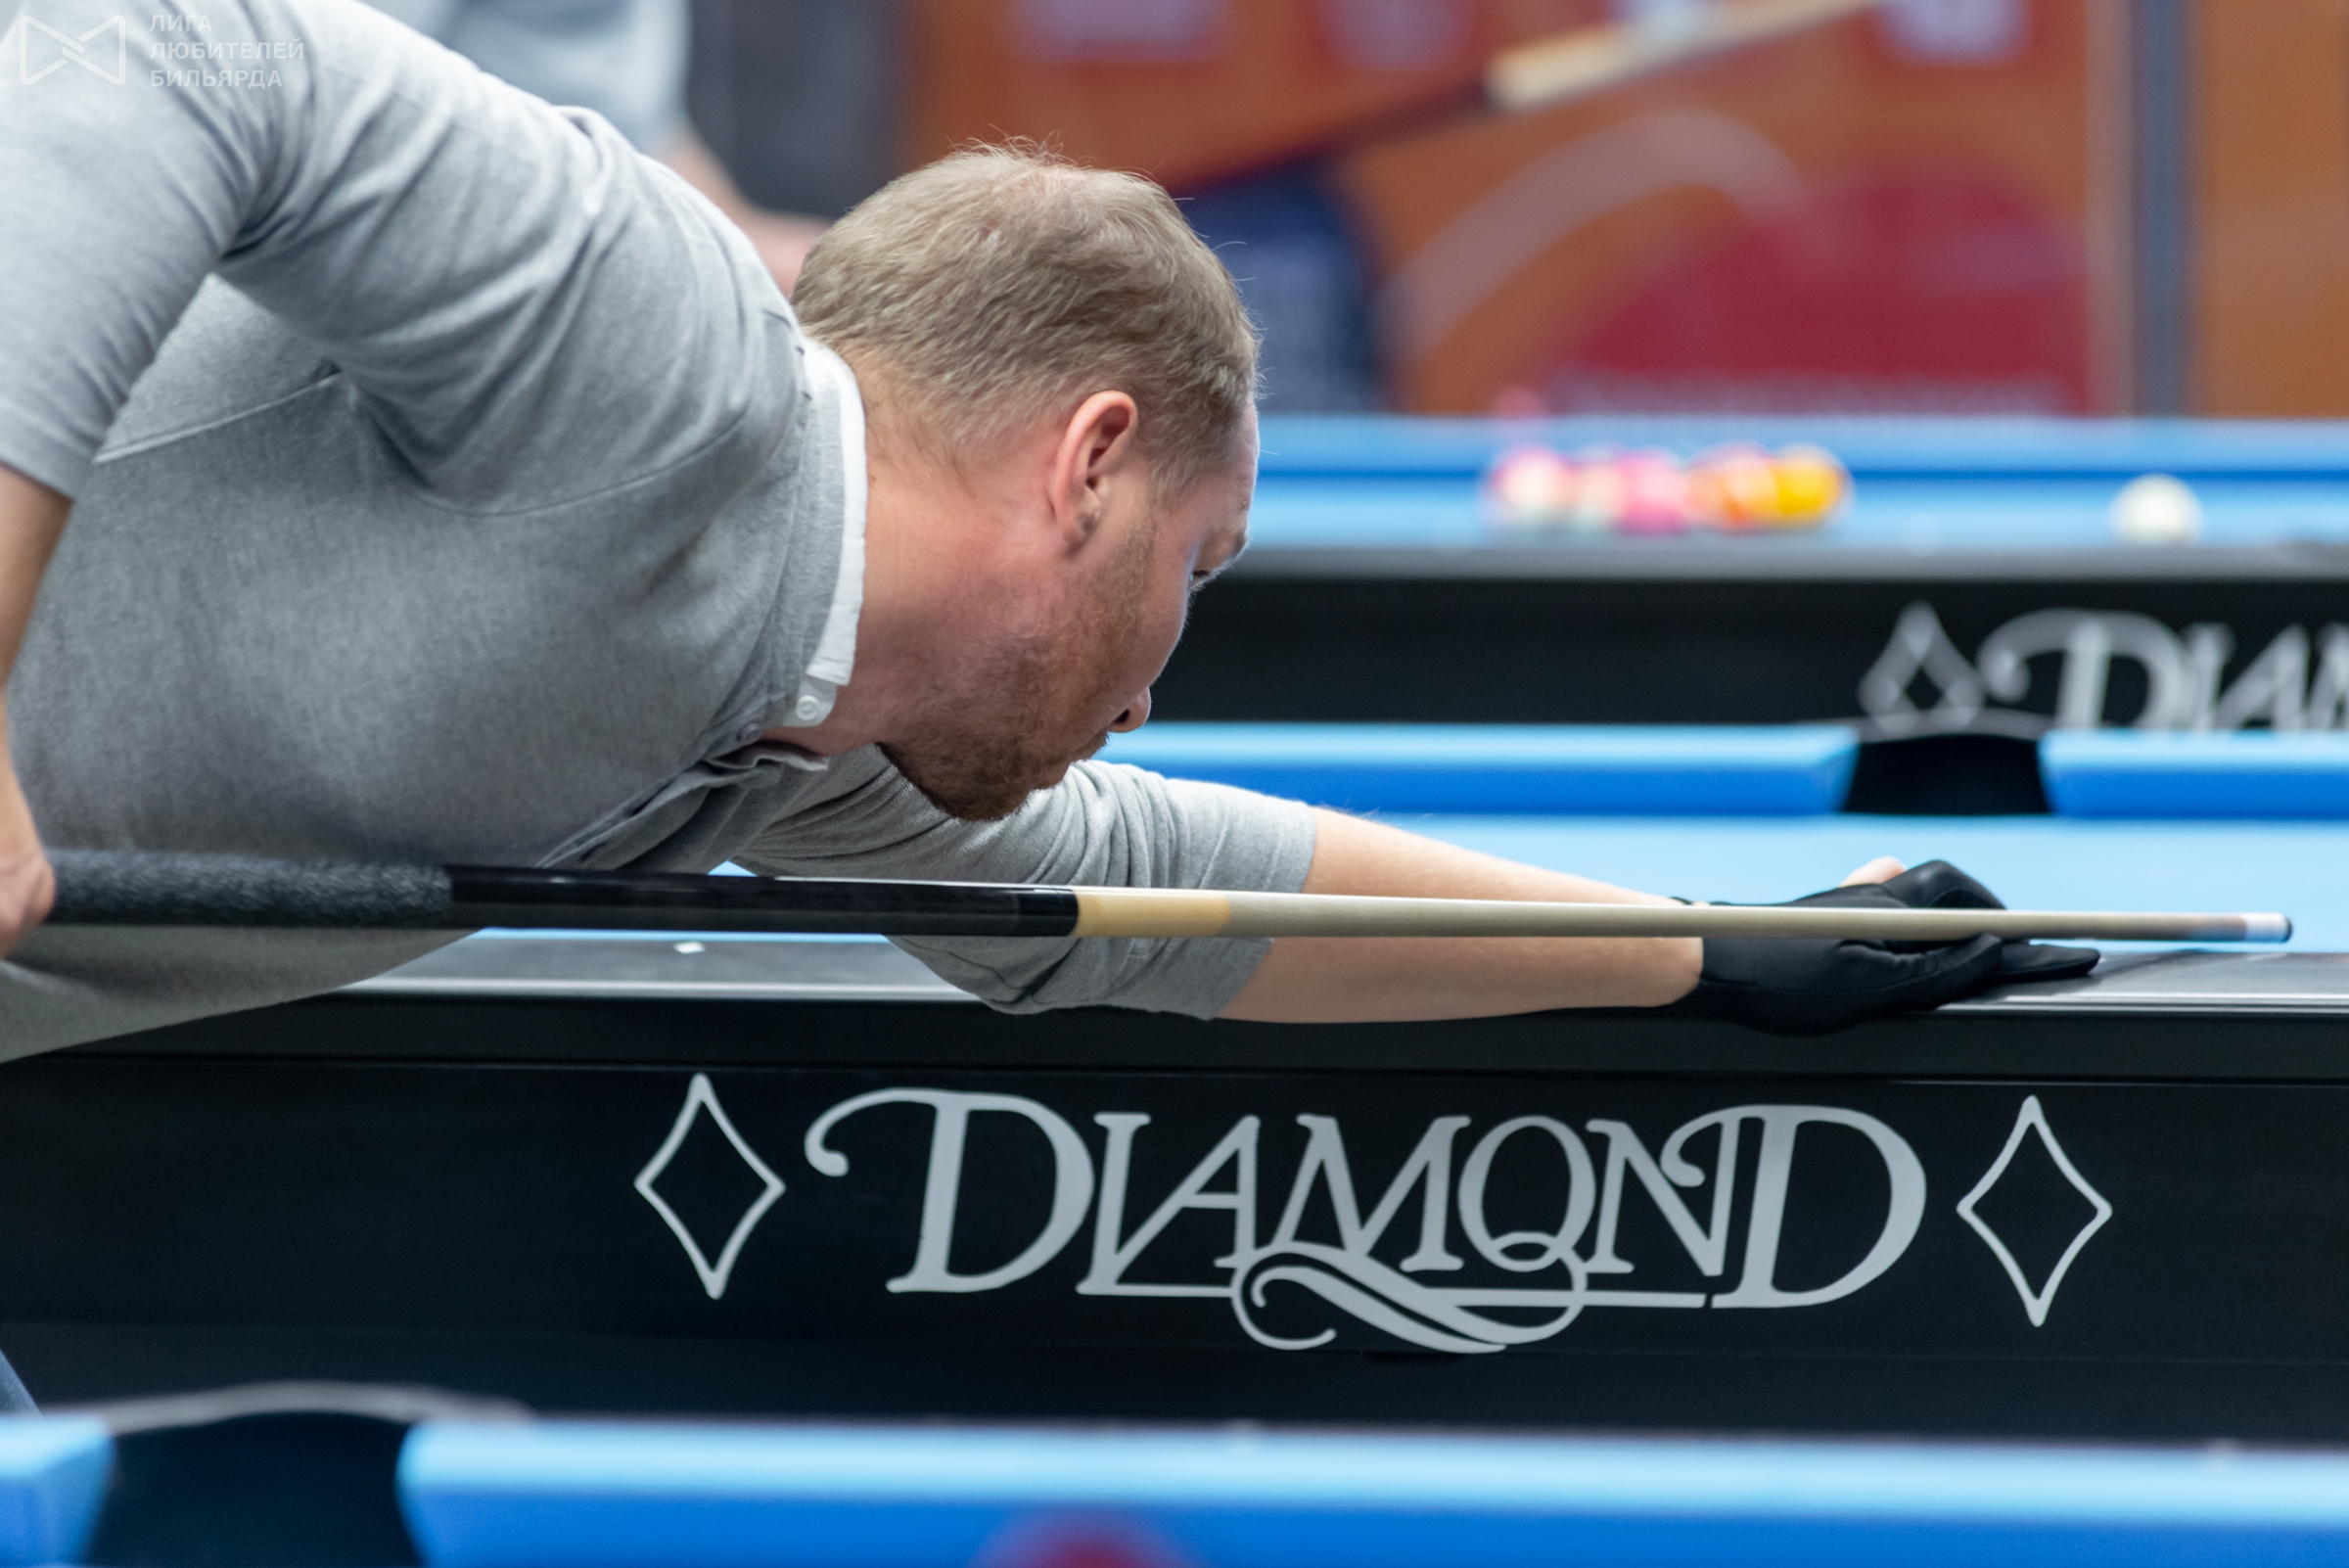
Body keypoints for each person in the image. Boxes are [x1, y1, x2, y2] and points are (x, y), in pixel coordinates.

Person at [0, 0, 2091, 1064]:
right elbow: (174, 50)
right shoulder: (666, 355)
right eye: (1200, 563)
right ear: (1088, 463)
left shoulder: (792, 751)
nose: (1163, 675)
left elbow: (1168, 888)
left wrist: (1705, 948)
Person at [363, 0, 830, 291]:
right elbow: (360, 112)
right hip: (493, 284)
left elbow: (639, 127)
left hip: (607, 261)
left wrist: (744, 244)